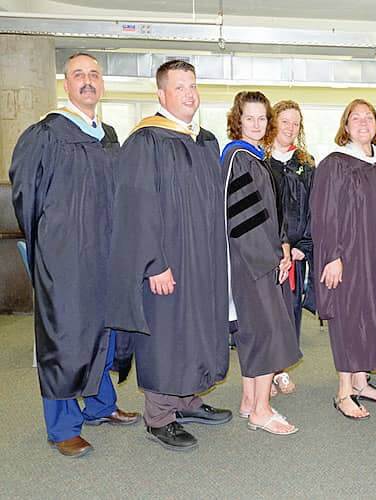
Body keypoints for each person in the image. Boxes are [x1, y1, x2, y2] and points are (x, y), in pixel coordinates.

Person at [9, 52, 139, 458]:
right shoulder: (45, 134)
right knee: (65, 338)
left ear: (102, 84)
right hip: (65, 258)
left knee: (104, 330)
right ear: (65, 84)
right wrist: (49, 247)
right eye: (78, 75)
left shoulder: (111, 135)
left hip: (107, 256)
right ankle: (63, 426)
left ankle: (101, 406)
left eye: (94, 75)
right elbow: (25, 196)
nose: (87, 81)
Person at [107, 60, 232, 451]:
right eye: (180, 87)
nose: (189, 94)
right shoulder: (146, 141)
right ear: (161, 95)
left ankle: (188, 400)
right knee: (167, 333)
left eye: (193, 86)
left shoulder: (204, 140)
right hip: (168, 261)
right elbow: (135, 208)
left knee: (195, 328)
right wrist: (153, 262)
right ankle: (159, 416)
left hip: (203, 260)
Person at [310, 98, 376, 419]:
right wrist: (332, 256)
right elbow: (324, 215)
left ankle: (362, 383)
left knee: (373, 316)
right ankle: (343, 391)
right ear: (346, 126)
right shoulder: (335, 164)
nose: (363, 123)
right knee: (350, 318)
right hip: (348, 255)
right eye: (356, 118)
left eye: (368, 118)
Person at [222, 91, 302, 435]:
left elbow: (270, 215)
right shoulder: (239, 159)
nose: (256, 124)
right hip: (251, 263)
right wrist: (271, 259)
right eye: (249, 118)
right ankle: (261, 409)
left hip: (258, 260)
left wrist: (282, 247)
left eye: (261, 118)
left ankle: (249, 402)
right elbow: (245, 222)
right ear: (237, 121)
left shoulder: (254, 157)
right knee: (266, 332)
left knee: (254, 332)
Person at [268, 99, 315, 396]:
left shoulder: (306, 163)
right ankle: (265, 370)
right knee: (266, 313)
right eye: (284, 121)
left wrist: (304, 246)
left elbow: (315, 208)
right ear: (274, 123)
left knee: (290, 312)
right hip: (266, 253)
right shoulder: (259, 160)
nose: (290, 127)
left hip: (296, 255)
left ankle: (281, 368)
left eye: (295, 123)